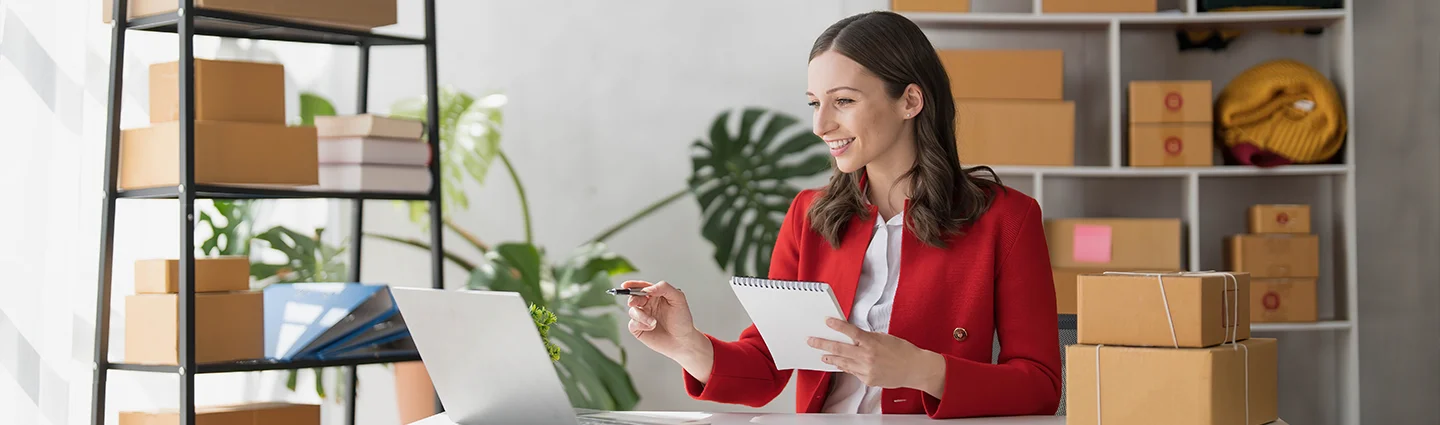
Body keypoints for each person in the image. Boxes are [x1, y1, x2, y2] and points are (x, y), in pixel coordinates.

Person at [622, 10, 1062, 419]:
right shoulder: (808, 216)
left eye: (844, 101)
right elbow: (766, 365)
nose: (820, 126)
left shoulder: (1006, 219)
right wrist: (688, 345)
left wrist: (924, 370)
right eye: (815, 103)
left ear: (910, 101)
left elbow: (1042, 385)